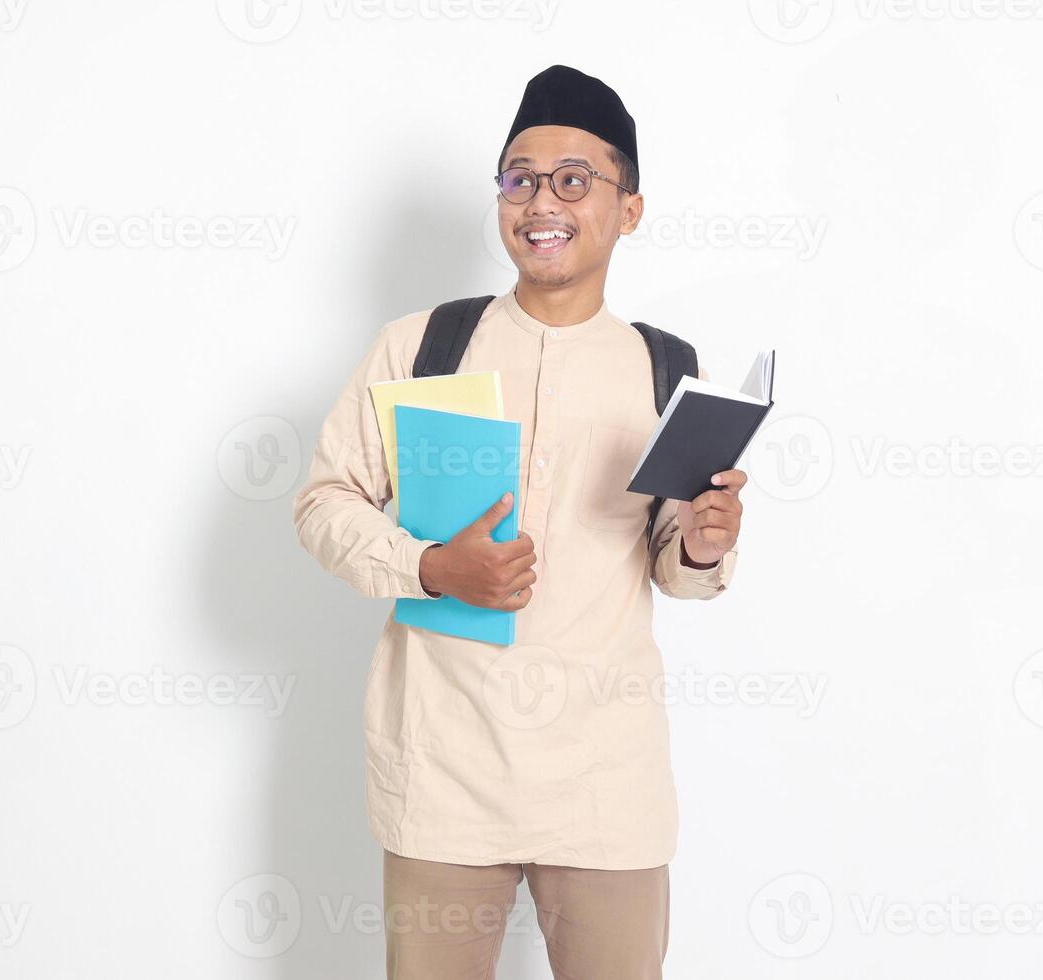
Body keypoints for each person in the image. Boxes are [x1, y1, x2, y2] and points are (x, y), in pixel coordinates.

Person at [292, 64, 745, 980]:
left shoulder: (667, 367)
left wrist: (701, 543)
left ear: (630, 208)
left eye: (575, 179)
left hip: (604, 786)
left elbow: (671, 557)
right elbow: (323, 501)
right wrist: (429, 568)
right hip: (444, 774)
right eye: (520, 177)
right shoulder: (423, 344)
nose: (543, 200)